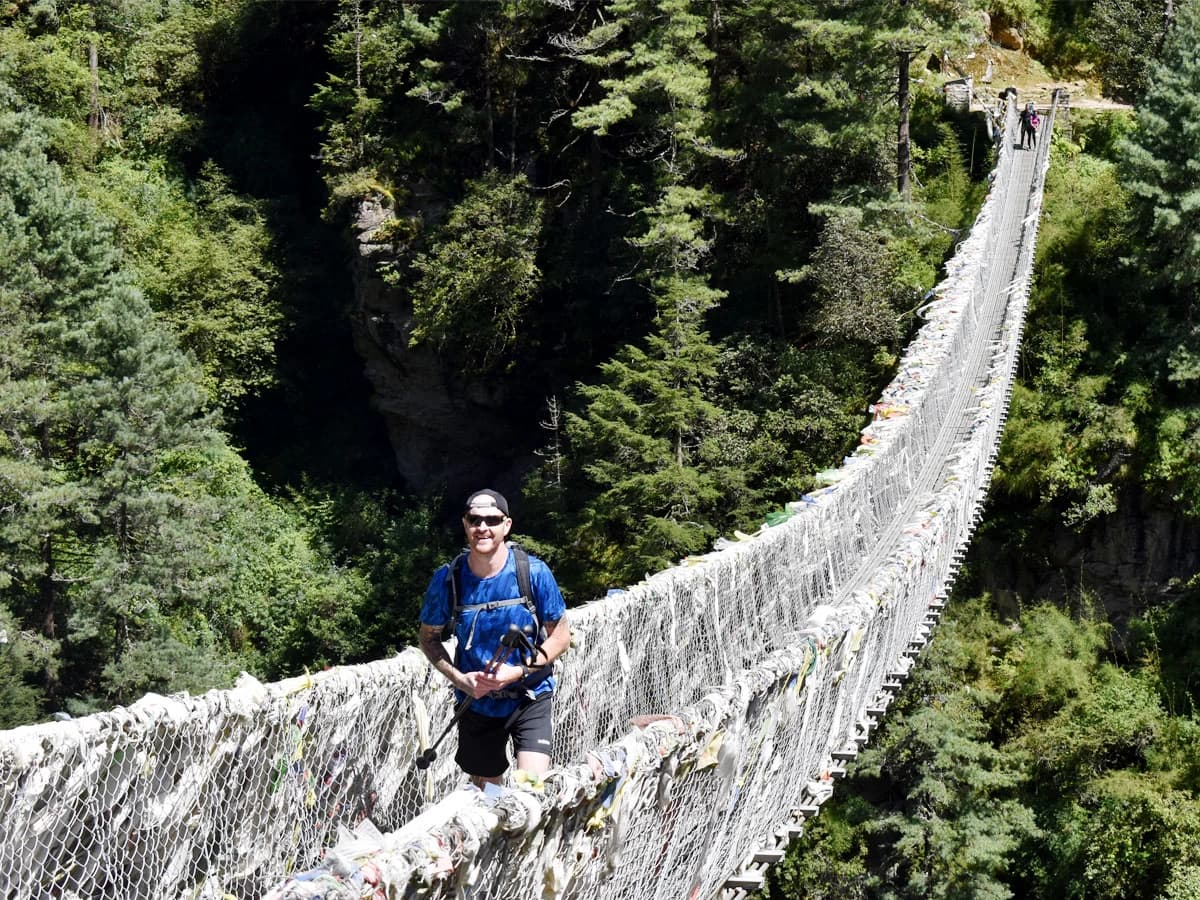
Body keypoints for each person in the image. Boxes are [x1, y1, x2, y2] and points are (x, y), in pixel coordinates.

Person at [418, 489, 570, 787]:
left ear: (506, 525)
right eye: (475, 519)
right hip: (477, 704)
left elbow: (560, 636)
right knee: (489, 801)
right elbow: (429, 638)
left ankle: (530, 833)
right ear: (465, 524)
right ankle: (504, 833)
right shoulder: (448, 579)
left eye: (492, 519)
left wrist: (516, 671)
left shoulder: (533, 573)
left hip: (530, 695)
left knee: (531, 791)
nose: (483, 527)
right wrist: (462, 681)